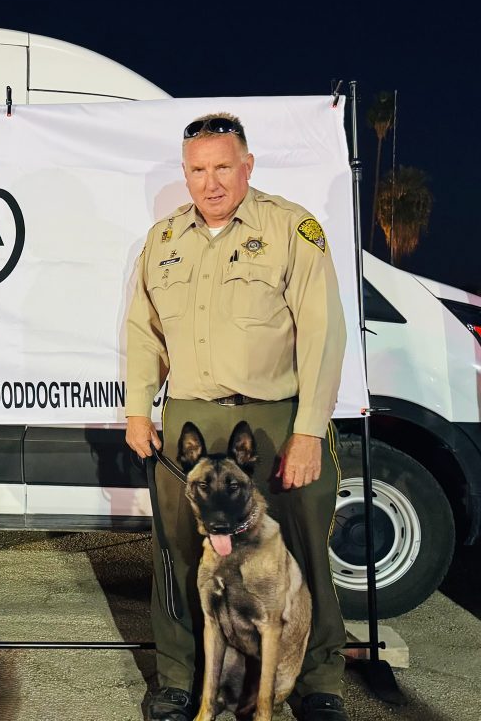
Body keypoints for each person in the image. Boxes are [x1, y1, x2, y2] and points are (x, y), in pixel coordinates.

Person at [125, 114, 348, 721]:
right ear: (186, 174)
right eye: (198, 170)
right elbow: (143, 333)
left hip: (275, 420)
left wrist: (307, 431)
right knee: (176, 553)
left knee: (301, 549)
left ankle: (318, 680)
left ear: (247, 166)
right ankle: (179, 678)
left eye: (223, 167)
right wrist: (139, 408)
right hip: (191, 419)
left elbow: (323, 334)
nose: (211, 182)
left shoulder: (290, 229)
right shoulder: (163, 240)